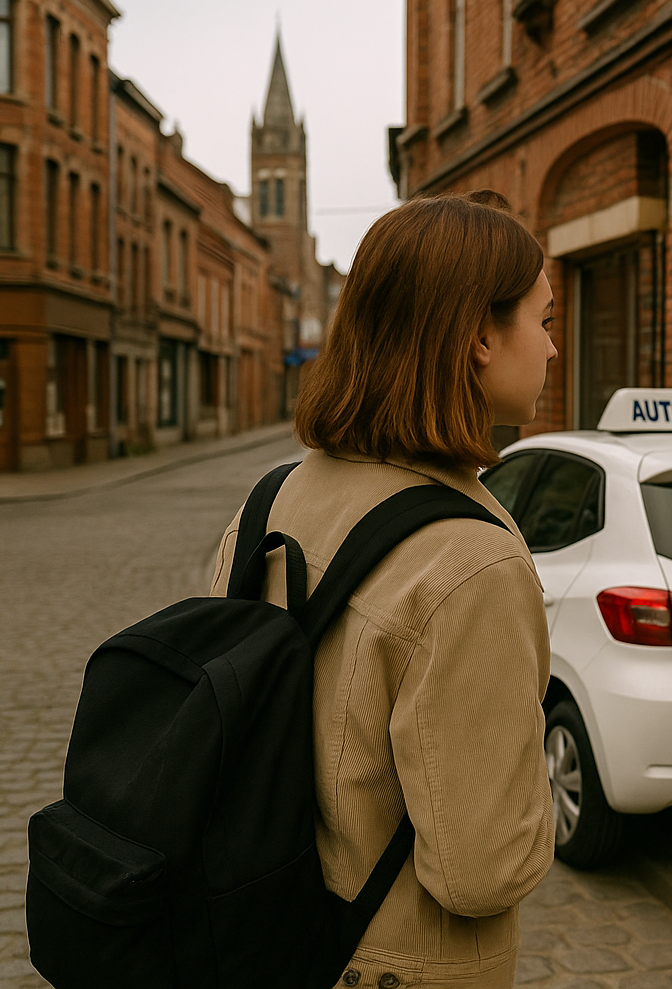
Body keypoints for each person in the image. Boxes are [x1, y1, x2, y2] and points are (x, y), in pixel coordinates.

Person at [209, 190, 558, 988]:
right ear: (477, 337)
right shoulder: (472, 562)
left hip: (262, 933)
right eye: (544, 321)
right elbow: (481, 871)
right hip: (401, 963)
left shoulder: (270, 500)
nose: (551, 350)